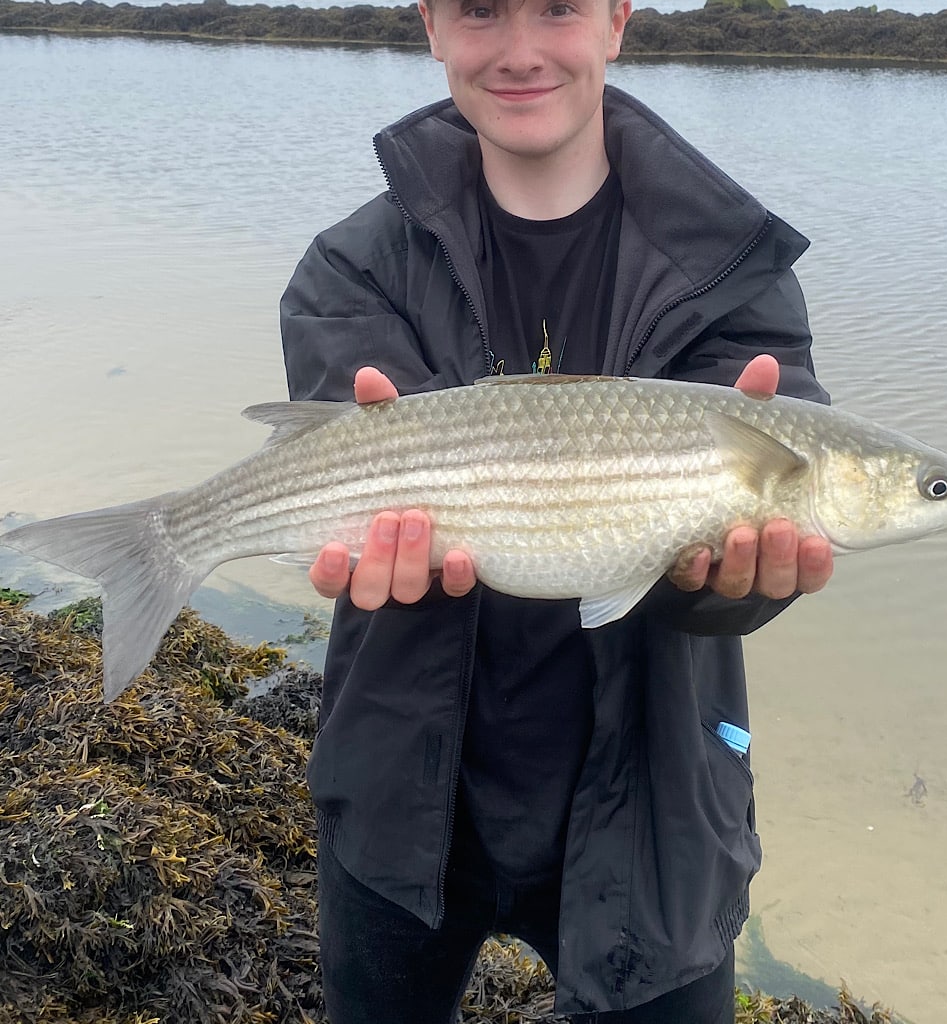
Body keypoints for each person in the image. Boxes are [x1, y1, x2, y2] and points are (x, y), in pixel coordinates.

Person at [279, 0, 834, 1019]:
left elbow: (727, 589)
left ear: (617, 20)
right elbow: (342, 495)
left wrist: (734, 587)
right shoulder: (351, 266)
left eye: (558, 8)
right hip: (401, 788)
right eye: (481, 10)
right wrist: (365, 521)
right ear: (431, 26)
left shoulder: (735, 264)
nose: (521, 49)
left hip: (656, 804)